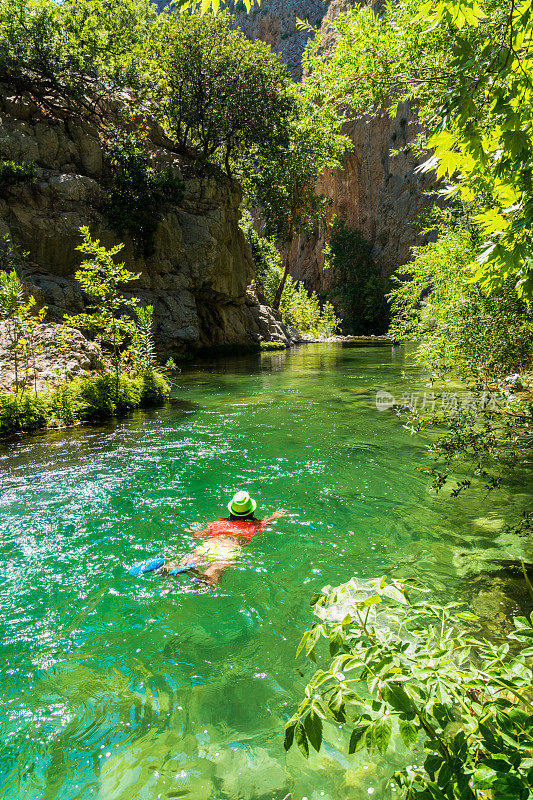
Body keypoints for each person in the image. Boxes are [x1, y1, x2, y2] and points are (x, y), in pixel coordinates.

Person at [161, 491, 286, 584]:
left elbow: (197, 535)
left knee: (191, 558)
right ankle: (199, 574)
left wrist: (195, 530)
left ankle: (172, 567)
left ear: (231, 511)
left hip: (210, 545)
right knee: (214, 575)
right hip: (230, 549)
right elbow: (268, 521)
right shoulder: (255, 525)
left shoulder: (218, 524)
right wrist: (277, 515)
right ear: (252, 511)